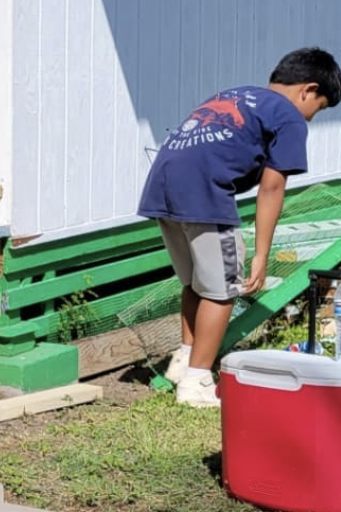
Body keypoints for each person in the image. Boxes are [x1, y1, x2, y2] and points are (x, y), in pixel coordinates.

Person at [138, 48, 341, 408]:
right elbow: (272, 187)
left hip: (162, 184)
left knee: (196, 282)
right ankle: (197, 381)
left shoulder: (237, 95)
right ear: (308, 90)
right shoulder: (290, 117)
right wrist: (262, 253)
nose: (312, 118)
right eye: (320, 108)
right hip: (203, 191)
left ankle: (186, 358)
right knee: (224, 288)